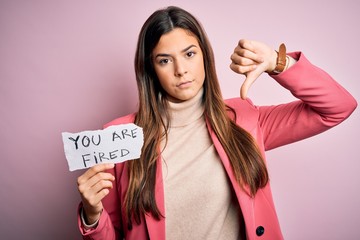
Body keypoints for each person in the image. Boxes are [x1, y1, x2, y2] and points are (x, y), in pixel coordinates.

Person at [76, 6, 357, 240]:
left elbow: (337, 107)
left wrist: (276, 62)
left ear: (204, 56)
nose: (181, 70)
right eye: (164, 60)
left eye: (189, 54)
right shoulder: (119, 136)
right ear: (151, 69)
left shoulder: (244, 120)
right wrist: (91, 215)